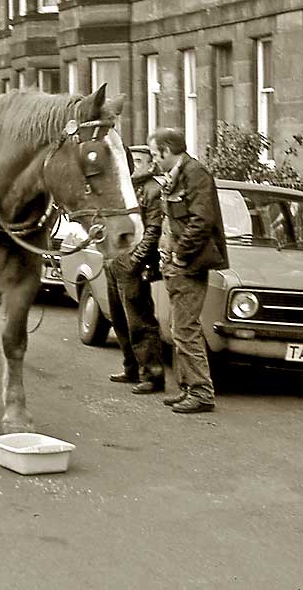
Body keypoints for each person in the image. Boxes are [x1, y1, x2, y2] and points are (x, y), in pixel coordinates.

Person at [147, 128, 228, 414]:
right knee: (178, 328)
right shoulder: (178, 174)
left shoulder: (196, 174)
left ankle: (202, 392)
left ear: (168, 151)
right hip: (173, 264)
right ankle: (187, 388)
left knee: (185, 330)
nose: (155, 161)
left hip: (188, 265)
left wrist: (180, 255)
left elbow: (201, 220)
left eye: (156, 154)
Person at [106, 145, 165, 394]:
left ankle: (151, 375)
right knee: (118, 318)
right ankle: (131, 368)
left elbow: (153, 230)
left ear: (151, 164)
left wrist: (136, 259)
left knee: (140, 320)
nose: (134, 165)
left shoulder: (153, 190)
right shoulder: (123, 188)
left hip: (134, 263)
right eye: (132, 160)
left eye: (140, 161)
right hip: (114, 260)